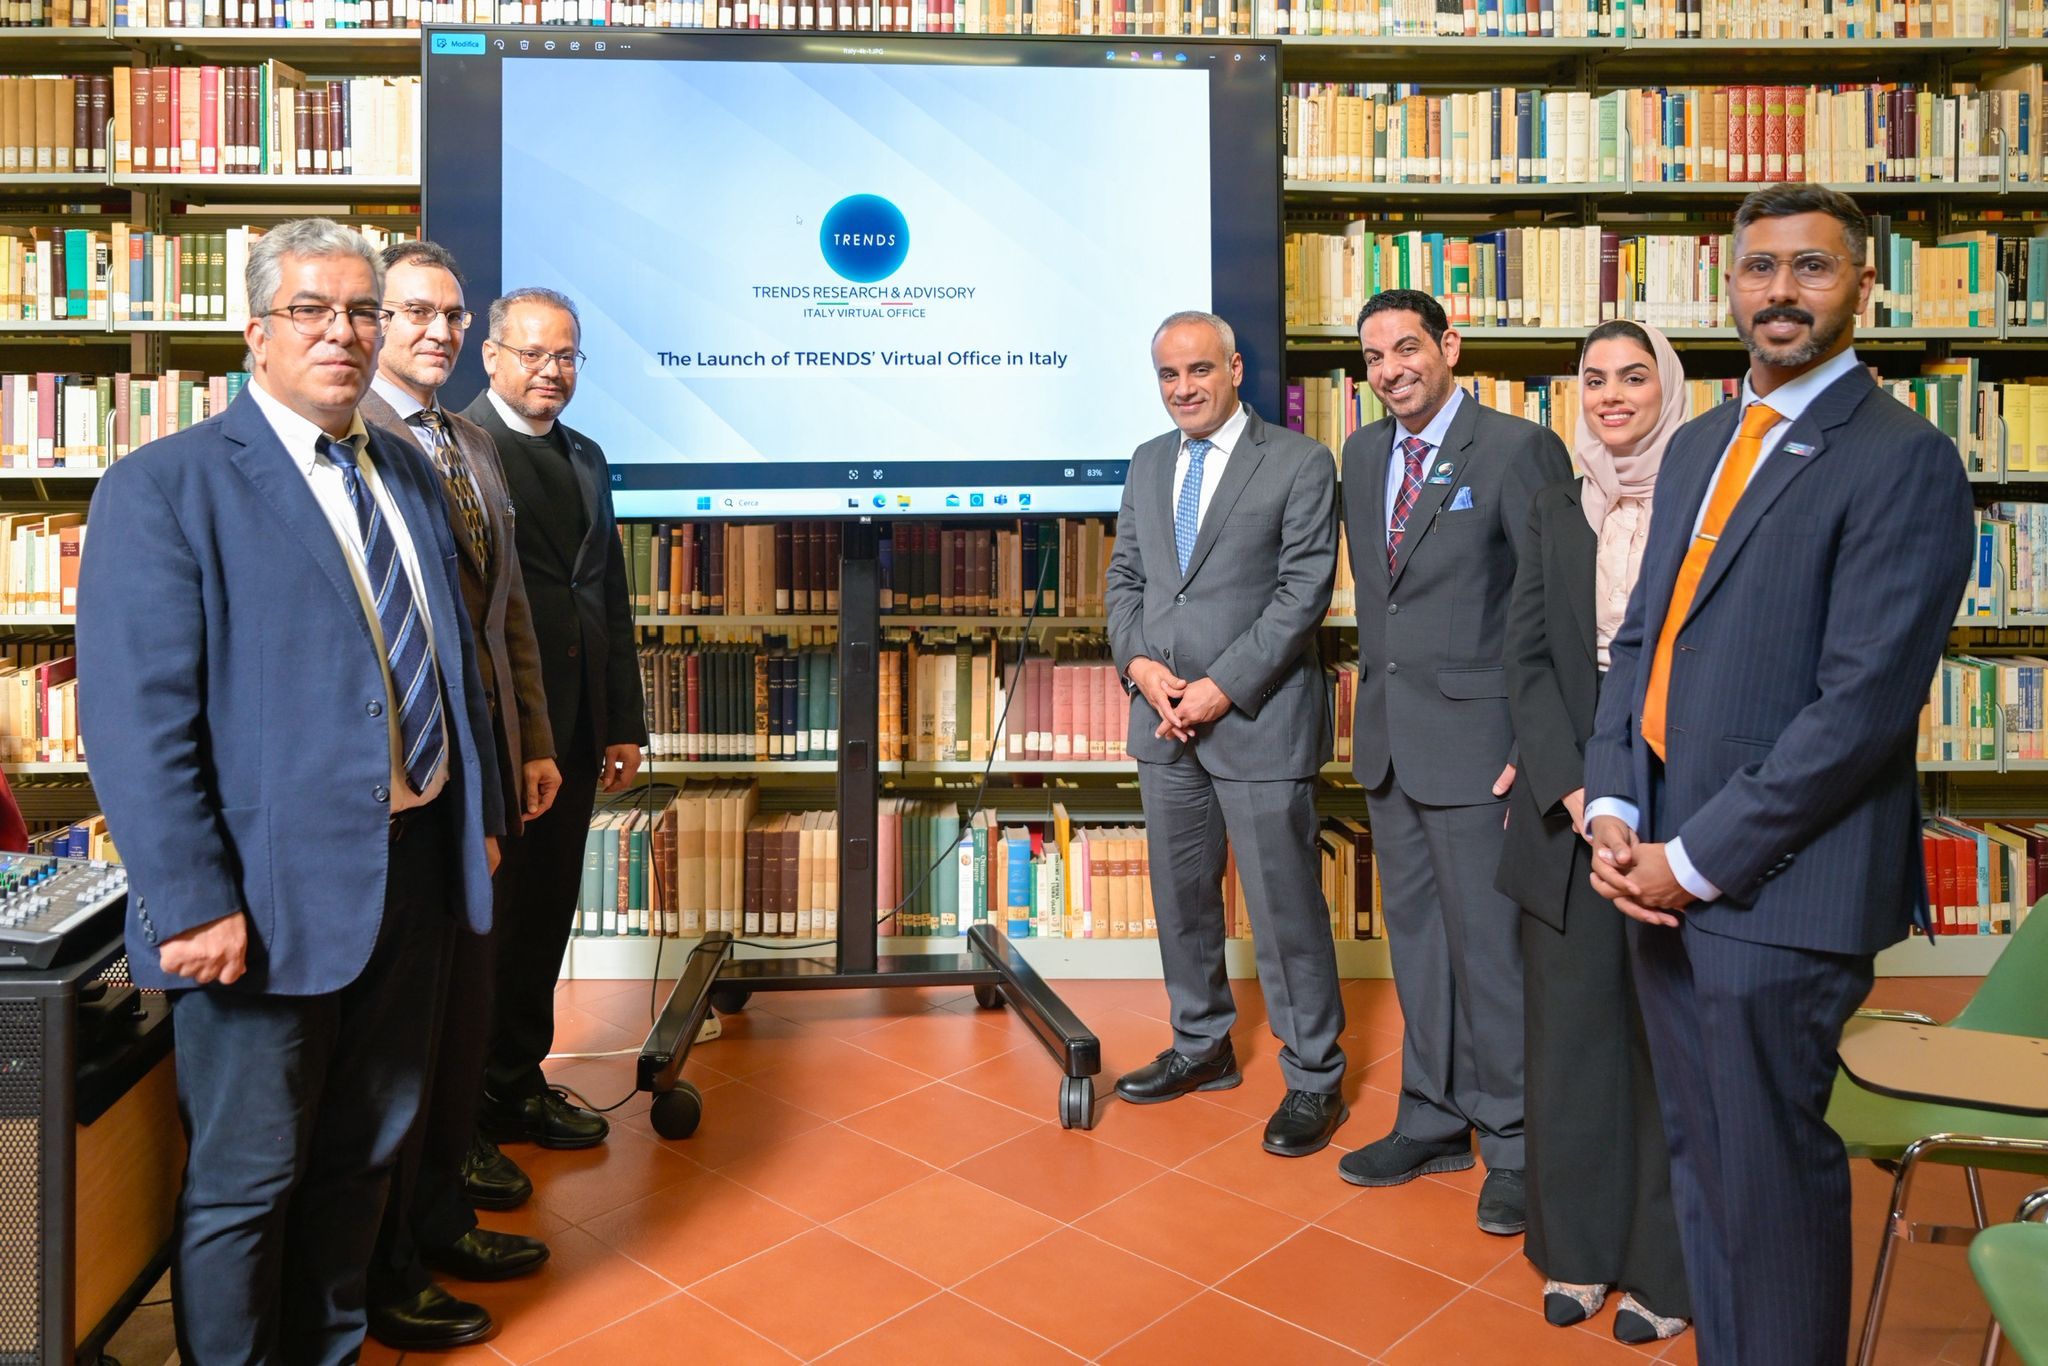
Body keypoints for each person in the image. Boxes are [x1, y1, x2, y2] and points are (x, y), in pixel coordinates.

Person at [75, 217, 501, 1364]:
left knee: (365, 1148)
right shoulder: (164, 487)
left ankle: (327, 1348)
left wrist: (471, 817)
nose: (342, 333)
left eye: (363, 311)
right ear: (256, 332)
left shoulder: (404, 470)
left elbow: (448, 660)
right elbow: (136, 721)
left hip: (408, 874)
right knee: (248, 1176)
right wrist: (190, 899)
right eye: (311, 310)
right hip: (256, 903)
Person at [1582, 185, 1975, 1366]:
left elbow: (1857, 712)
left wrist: (1692, 861)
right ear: (1730, 285)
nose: (1780, 292)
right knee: (1702, 1166)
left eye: (1811, 267)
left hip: (1772, 890)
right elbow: (1640, 640)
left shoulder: (1902, 459)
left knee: (1769, 1185)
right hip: (1650, 867)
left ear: (1861, 284)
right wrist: (1612, 803)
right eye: (1758, 268)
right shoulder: (1700, 443)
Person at [360, 241, 563, 1350]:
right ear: (374, 323)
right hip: (410, 779)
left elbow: (506, 613)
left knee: (461, 1010)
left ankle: (441, 1219)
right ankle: (392, 1254)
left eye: (451, 314)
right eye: (414, 313)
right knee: (404, 1033)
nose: (437, 331)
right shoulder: (358, 438)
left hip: (484, 762)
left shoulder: (472, 442)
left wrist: (529, 738)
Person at [1336, 287, 1571, 1233]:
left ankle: (1514, 1142)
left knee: (1493, 955)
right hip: (1391, 745)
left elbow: (1552, 607)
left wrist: (1534, 747)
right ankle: (1432, 1119)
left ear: (1450, 346)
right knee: (1421, 948)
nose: (1390, 370)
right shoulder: (1360, 454)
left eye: (1407, 348)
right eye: (1373, 358)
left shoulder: (1518, 449)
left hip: (1483, 753)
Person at [1104, 309, 1349, 1158]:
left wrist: (1221, 688)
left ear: (1236, 369)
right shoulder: (1147, 461)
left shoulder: (1301, 462)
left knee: (1284, 910)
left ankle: (1314, 1075)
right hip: (1161, 720)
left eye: (1199, 370)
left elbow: (1303, 593)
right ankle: (1202, 1044)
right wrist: (1140, 666)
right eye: (1168, 375)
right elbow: (1126, 580)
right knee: (1182, 901)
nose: (1184, 389)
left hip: (1258, 717)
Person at [1497, 320, 1691, 1345]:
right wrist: (1575, 792)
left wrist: (1645, 801)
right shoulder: (1552, 507)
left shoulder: (1707, 503)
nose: (1611, 394)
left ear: (1668, 387)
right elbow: (1526, 658)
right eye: (1594, 379)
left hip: (1679, 805)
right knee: (1569, 1037)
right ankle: (1573, 1247)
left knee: (1667, 1043)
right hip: (1568, 808)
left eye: (1633, 376)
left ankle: (1666, 1266)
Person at [462, 286, 645, 1149]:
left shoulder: (587, 455)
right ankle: (468, 1105)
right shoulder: (462, 449)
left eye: (566, 356)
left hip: (575, 727)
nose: (552, 370)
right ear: (492, 356)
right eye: (533, 353)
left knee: (544, 917)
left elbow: (606, 591)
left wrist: (622, 721)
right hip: (502, 729)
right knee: (491, 924)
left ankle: (516, 1082)